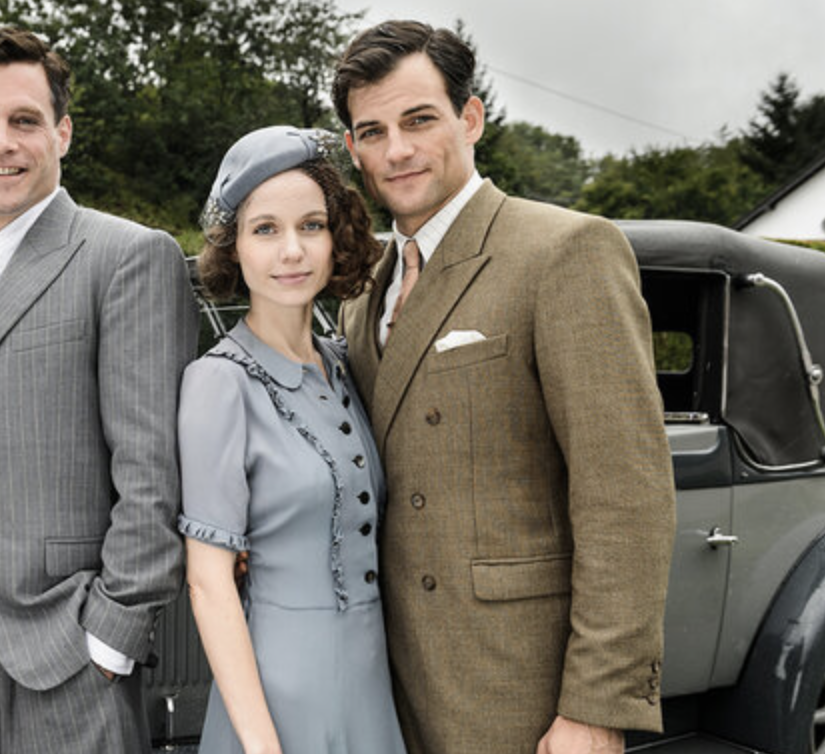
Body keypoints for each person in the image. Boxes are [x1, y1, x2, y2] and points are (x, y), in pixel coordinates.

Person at [330, 20, 677, 754]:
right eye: (372, 131)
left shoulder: (564, 250)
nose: (398, 149)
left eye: (419, 120)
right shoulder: (362, 291)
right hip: (384, 683)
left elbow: (625, 493)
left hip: (517, 684)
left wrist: (596, 704)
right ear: (355, 148)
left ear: (471, 117)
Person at [0, 26, 198, 753]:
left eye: (25, 121)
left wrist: (111, 637)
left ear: (62, 133)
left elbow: (152, 468)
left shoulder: (127, 257)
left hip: (72, 649)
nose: (2, 143)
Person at [179, 125, 408, 754]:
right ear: (235, 250)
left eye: (311, 226)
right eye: (265, 230)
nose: (292, 252)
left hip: (371, 684)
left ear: (337, 238)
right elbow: (209, 582)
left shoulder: (344, 364)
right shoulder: (218, 383)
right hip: (278, 696)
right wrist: (261, 743)